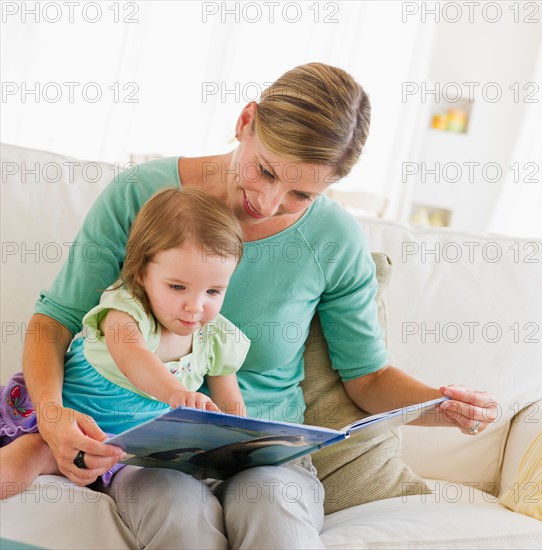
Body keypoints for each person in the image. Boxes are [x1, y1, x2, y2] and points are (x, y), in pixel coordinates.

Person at [20, 62, 498, 549]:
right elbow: (54, 322)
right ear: (246, 121)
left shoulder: (335, 240)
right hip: (149, 450)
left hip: (266, 455)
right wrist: (52, 415)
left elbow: (368, 377)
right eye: (265, 171)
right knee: (176, 513)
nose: (268, 202)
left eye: (301, 194)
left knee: (273, 511)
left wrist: (440, 407)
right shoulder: (141, 195)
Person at [1, 187, 249, 498]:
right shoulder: (126, 309)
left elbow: (231, 408)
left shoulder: (215, 337)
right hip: (66, 423)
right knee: (32, 451)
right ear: (143, 272)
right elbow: (134, 359)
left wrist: (244, 443)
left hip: (121, 448)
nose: (196, 306)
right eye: (177, 286)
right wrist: (177, 394)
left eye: (213, 291)